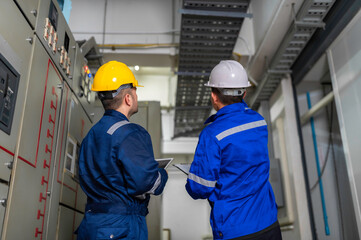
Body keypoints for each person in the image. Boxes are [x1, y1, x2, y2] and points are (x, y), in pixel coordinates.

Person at [185, 60, 281, 240]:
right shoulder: (259, 121)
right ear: (244, 93)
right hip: (268, 223)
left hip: (235, 230)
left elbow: (199, 188)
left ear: (214, 96)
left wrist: (193, 177)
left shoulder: (212, 134)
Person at [76, 61, 168, 240]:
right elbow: (147, 183)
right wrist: (161, 174)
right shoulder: (131, 133)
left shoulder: (91, 136)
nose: (136, 95)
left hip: (91, 224)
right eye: (135, 91)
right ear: (128, 98)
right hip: (121, 227)